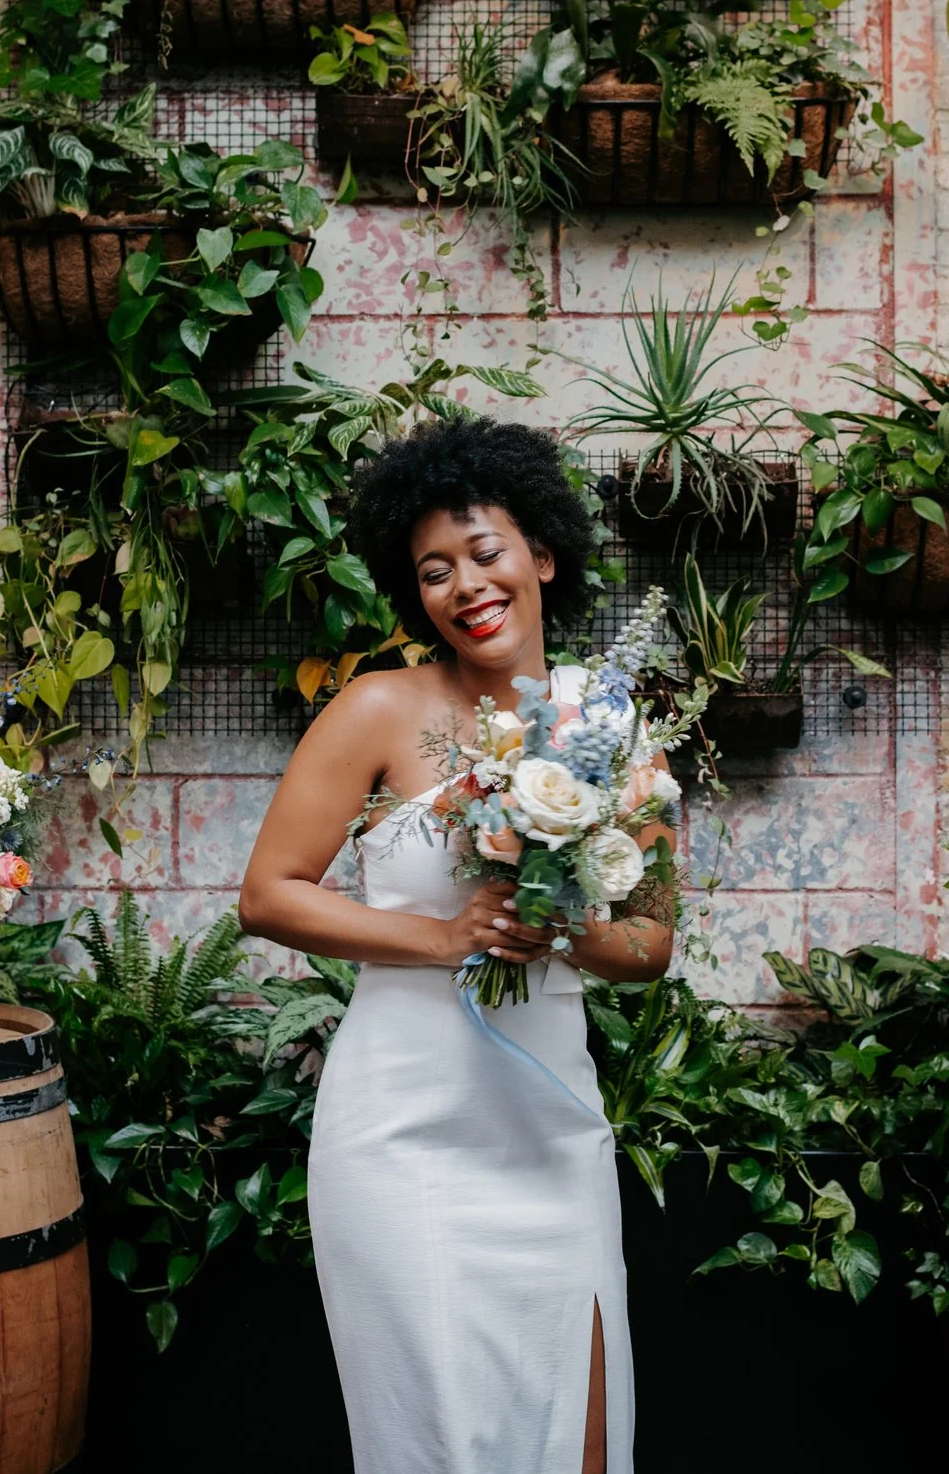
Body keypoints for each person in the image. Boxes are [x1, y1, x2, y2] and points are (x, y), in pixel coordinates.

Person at [239, 415, 677, 1474]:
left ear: (541, 555)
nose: (464, 585)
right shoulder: (377, 708)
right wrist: (441, 937)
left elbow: (651, 941)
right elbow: (267, 895)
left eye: (484, 552)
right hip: (403, 1137)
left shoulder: (612, 727)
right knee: (437, 1440)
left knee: (576, 1428)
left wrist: (561, 920)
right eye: (433, 570)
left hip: (548, 1129)